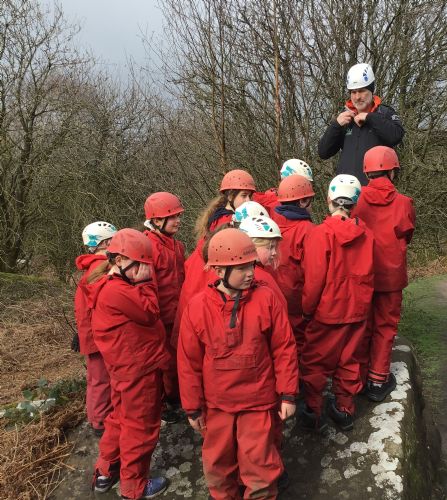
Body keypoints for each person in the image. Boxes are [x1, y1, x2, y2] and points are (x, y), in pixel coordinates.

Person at [177, 228, 298, 500]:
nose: (250, 273)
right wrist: (193, 407)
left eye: (251, 265)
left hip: (259, 401)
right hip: (217, 404)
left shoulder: (266, 299)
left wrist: (288, 393)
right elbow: (188, 362)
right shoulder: (197, 307)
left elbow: (284, 348)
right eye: (241, 268)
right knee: (218, 465)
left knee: (260, 466)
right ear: (218, 271)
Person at [90, 229, 170, 499]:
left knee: (119, 419)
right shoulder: (120, 291)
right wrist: (146, 283)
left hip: (125, 369)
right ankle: (134, 486)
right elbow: (150, 312)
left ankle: (107, 470)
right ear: (120, 261)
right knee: (141, 426)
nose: (146, 271)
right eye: (141, 265)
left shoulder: (110, 284)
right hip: (138, 371)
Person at [301, 175, 374, 432]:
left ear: (329, 199)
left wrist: (307, 310)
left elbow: (314, 279)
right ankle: (344, 410)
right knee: (349, 360)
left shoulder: (320, 234)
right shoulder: (367, 235)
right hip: (357, 310)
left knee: (315, 362)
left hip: (327, 311)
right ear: (355, 203)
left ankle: (313, 411)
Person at [351, 146, 416, 401]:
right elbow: (407, 234)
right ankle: (377, 380)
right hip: (391, 275)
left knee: (362, 325)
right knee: (385, 326)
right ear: (392, 171)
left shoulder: (355, 200)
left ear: (367, 172)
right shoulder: (404, 203)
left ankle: (357, 378)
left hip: (362, 274)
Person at [172, 170, 256, 346]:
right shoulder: (228, 227)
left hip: (194, 292)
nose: (248, 201)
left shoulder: (216, 219)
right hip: (203, 293)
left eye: (250, 196)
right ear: (230, 196)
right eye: (244, 196)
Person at [318, 63, 405, 185]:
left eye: (361, 91)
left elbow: (396, 136)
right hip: (346, 190)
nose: (357, 97)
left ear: (371, 91)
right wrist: (335, 125)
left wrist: (370, 117)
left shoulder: (385, 113)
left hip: (375, 190)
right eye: (353, 92)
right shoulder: (344, 118)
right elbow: (323, 152)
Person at [143, 192, 185, 420]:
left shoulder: (177, 246)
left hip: (177, 314)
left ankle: (176, 398)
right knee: (166, 363)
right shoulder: (149, 247)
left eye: (178, 216)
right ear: (157, 221)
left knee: (177, 360)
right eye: (173, 217)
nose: (178, 221)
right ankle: (169, 402)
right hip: (161, 317)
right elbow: (148, 287)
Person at [73, 221, 116, 437]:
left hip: (90, 332)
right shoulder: (101, 269)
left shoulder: (90, 268)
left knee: (96, 378)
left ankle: (96, 417)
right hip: (98, 334)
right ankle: (100, 422)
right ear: (105, 243)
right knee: (102, 379)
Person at [270, 174, 315, 356]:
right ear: (303, 202)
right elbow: (314, 274)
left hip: (274, 297)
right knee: (300, 347)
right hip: (298, 303)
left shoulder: (270, 224)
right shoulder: (308, 231)